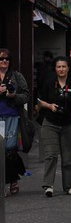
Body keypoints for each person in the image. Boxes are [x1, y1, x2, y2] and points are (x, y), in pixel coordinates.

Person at [37, 55, 71, 196]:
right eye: (59, 67)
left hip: (68, 124)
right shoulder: (49, 83)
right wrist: (49, 106)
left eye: (64, 66)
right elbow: (39, 101)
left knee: (67, 157)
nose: (61, 69)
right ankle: (48, 185)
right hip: (50, 123)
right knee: (51, 155)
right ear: (55, 69)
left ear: (68, 68)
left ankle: (69, 185)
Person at [0, 48, 29, 196]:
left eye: (7, 58)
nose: (4, 61)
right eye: (1, 58)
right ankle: (7, 182)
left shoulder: (16, 76)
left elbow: (26, 95)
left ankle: (12, 180)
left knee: (9, 149)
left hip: (12, 116)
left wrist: (13, 95)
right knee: (1, 150)